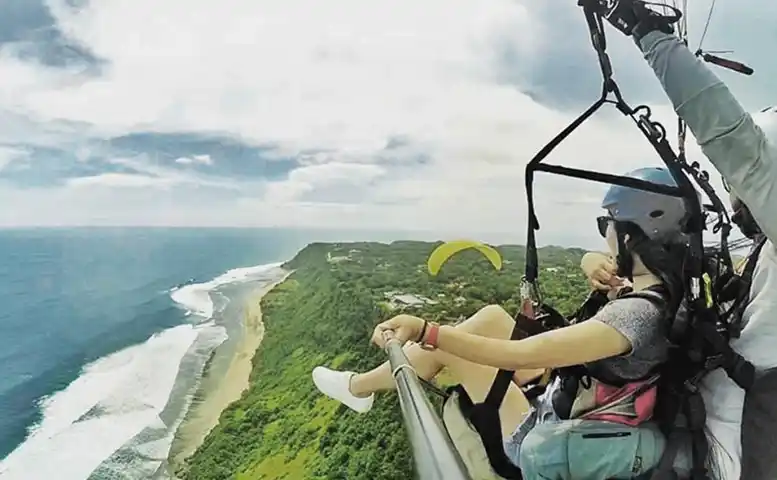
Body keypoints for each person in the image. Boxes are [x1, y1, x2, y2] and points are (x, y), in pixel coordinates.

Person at [313, 167, 690, 478]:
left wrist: (427, 330)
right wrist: (589, 261)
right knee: (493, 316)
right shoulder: (658, 290)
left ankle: (359, 388)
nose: (604, 234)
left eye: (605, 223)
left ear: (630, 235)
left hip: (549, 433)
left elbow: (522, 355)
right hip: (574, 397)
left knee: (449, 346)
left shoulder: (634, 315)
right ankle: (360, 388)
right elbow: (600, 272)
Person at [598, 3, 777, 478]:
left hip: (733, 451)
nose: (735, 197)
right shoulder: (760, 251)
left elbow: (736, 142)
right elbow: (689, 260)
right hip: (710, 424)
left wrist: (650, 36)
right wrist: (604, 260)